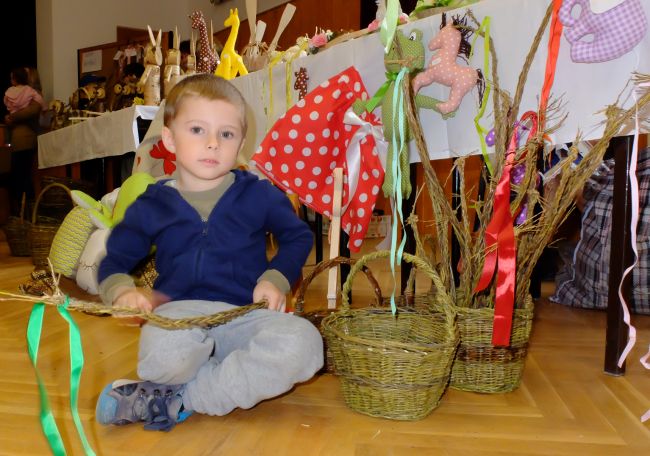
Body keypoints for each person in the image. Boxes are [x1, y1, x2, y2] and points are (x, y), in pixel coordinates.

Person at [95, 73, 322, 431]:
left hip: (246, 316)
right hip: (180, 317)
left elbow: (297, 236)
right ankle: (203, 383)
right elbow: (115, 259)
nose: (213, 143)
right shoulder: (154, 202)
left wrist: (275, 278)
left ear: (241, 142)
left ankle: (179, 398)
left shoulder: (258, 194)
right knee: (161, 359)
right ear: (169, 139)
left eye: (227, 134)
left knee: (306, 345)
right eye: (198, 130)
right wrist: (121, 290)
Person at [4, 66, 43, 214]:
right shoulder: (28, 94)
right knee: (20, 176)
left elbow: (32, 111)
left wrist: (11, 117)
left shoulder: (32, 95)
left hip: (26, 140)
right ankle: (22, 212)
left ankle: (26, 212)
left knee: (24, 177)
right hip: (19, 141)